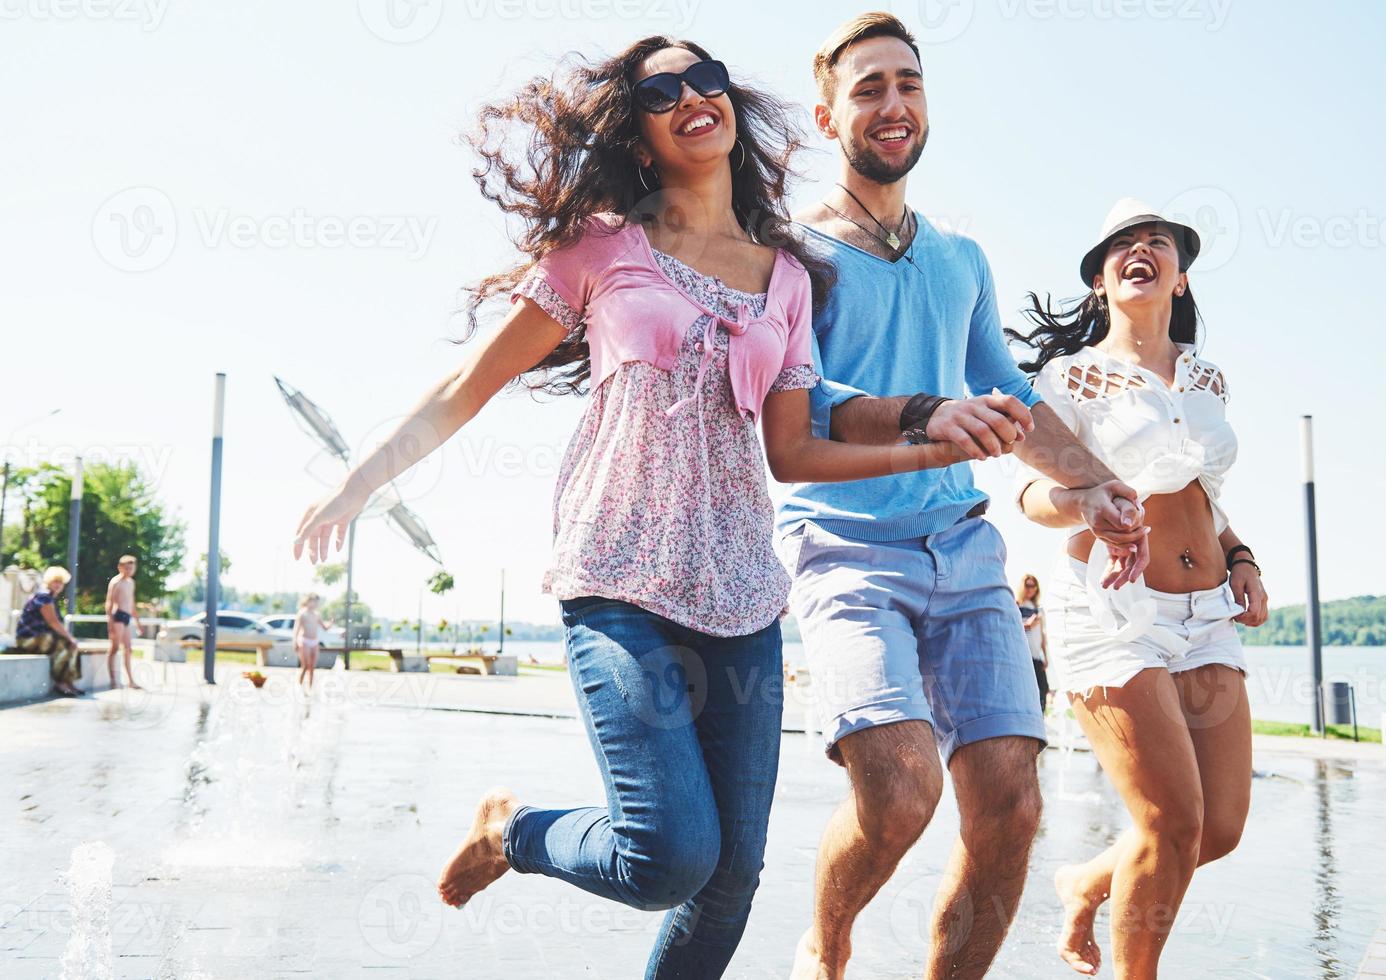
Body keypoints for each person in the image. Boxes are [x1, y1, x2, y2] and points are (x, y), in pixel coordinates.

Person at [292, 36, 971, 979]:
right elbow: (466, 382)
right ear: (640, 134)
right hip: (618, 578)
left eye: (708, 79)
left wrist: (929, 441)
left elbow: (793, 451)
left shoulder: (787, 277)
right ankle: (514, 831)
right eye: (662, 89)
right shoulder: (605, 245)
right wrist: (358, 481)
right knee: (666, 858)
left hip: (740, 592)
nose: (693, 95)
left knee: (731, 878)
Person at [777, 15, 1149, 979]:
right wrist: (923, 416)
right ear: (827, 117)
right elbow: (803, 406)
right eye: (867, 89)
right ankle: (825, 941)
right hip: (844, 548)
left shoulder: (962, 259)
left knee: (1011, 805)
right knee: (899, 795)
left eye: (908, 83)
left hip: (965, 549)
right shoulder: (791, 256)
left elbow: (1016, 400)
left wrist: (1095, 483)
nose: (893, 104)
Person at [1010, 199, 1269, 978]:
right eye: (1122, 244)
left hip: (1207, 611)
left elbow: (1204, 500)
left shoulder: (1204, 376)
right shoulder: (1070, 377)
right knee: (1168, 822)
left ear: (1179, 277)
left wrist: (1243, 556)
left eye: (1157, 242)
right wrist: (1086, 502)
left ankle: (1085, 880)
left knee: (1216, 827)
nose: (1140, 251)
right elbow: (1028, 495)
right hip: (1112, 612)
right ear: (1099, 281)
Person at [12, 566, 83, 696]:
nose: (58, 585)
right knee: (61, 645)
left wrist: (70, 640)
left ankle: (69, 682)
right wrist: (70, 637)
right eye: (55, 581)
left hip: (40, 637)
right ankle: (60, 683)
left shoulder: (51, 599)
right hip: (27, 639)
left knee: (71, 645)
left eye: (61, 582)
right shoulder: (43, 596)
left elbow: (56, 625)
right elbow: (53, 622)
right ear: (48, 581)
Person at [105, 554, 142, 690]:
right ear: (120, 567)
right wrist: (109, 622)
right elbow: (109, 602)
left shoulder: (131, 582)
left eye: (131, 568)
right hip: (117, 616)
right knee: (114, 648)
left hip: (127, 617)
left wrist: (138, 622)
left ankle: (130, 681)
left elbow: (132, 603)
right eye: (126, 568)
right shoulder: (116, 582)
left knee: (128, 649)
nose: (129, 571)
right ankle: (113, 680)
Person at [1016, 574, 1050, 712]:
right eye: (1027, 585)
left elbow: (1042, 634)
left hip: (1036, 656)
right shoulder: (1016, 605)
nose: (1030, 589)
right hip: (1022, 655)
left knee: (1043, 688)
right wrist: (1027, 625)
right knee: (1025, 689)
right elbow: (1011, 628)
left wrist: (1045, 656)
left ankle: (1040, 720)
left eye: (1033, 586)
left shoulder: (1038, 609)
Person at [293, 593, 331, 690]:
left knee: (312, 668)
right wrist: (295, 642)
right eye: (313, 601)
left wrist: (331, 622)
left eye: (317, 602)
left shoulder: (316, 615)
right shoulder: (302, 613)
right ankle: (299, 687)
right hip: (304, 640)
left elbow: (324, 628)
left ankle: (310, 689)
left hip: (314, 641)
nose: (315, 604)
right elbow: (296, 629)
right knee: (305, 666)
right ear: (308, 601)